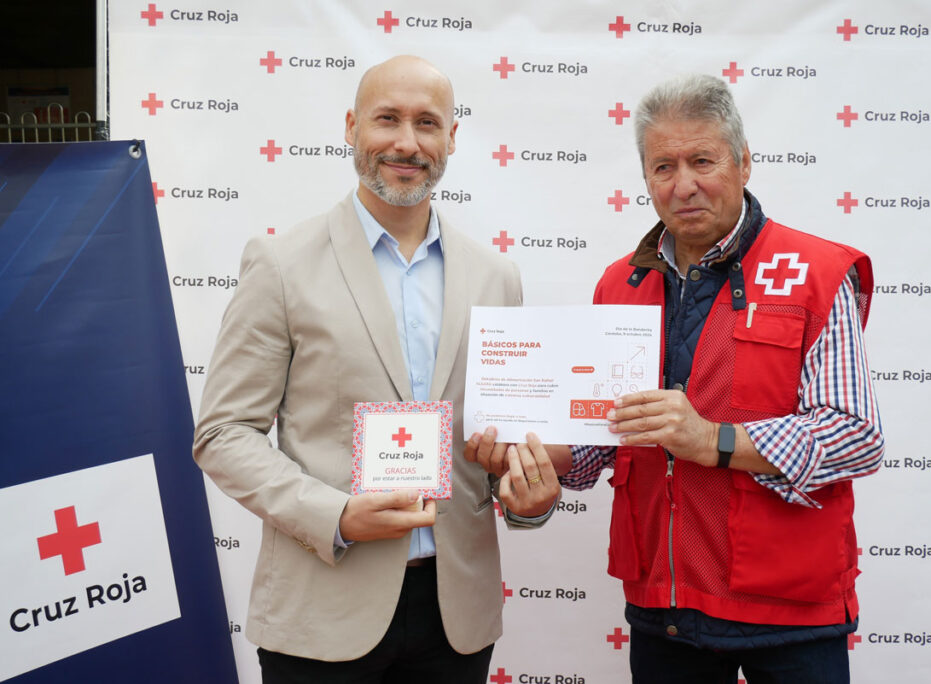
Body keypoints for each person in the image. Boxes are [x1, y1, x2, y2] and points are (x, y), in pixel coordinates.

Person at [480, 74, 884, 683]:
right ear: (645, 179)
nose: (684, 184)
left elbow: (855, 434)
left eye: (703, 160)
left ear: (745, 163)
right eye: (663, 167)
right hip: (662, 608)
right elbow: (604, 439)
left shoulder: (818, 273)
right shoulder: (620, 284)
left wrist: (713, 441)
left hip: (790, 615)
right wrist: (533, 460)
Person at [193, 55, 560, 684]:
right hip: (322, 609)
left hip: (457, 617)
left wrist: (529, 498)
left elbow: (501, 447)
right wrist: (332, 515)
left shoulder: (496, 278)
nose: (406, 142)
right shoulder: (281, 264)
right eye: (387, 118)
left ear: (452, 138)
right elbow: (224, 434)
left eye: (427, 123)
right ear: (351, 127)